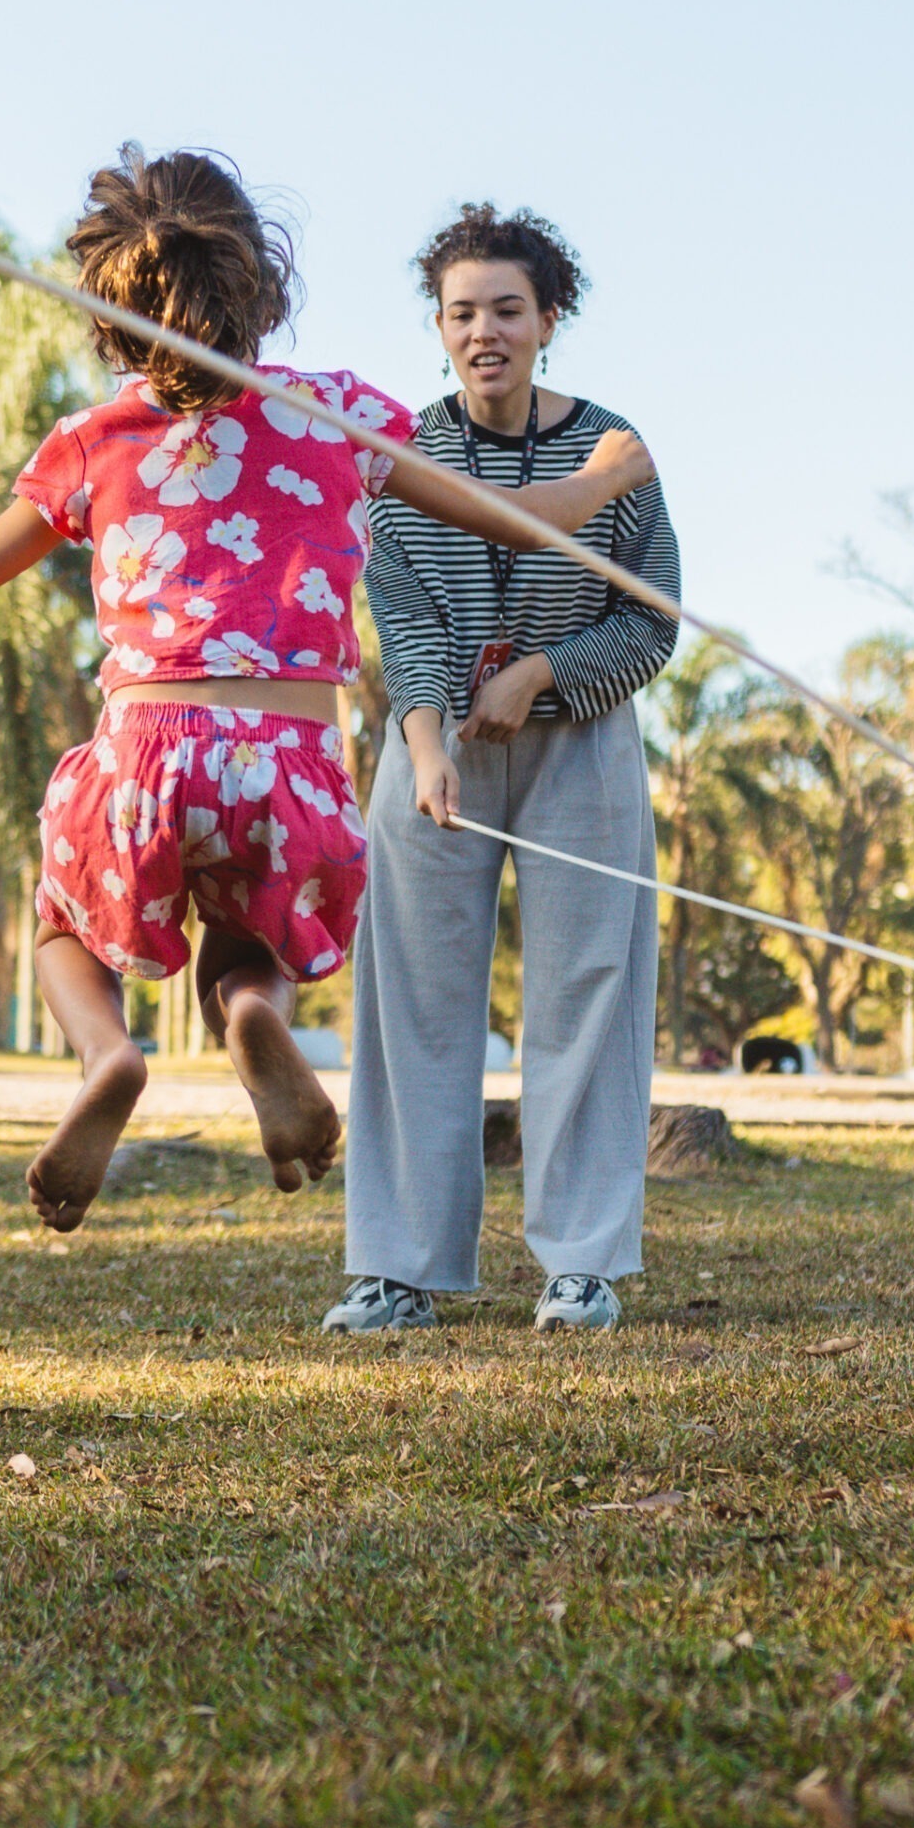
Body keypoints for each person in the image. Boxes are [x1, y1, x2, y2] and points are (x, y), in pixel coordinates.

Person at [0, 148, 657, 1230]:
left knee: (64, 920)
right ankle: (256, 1021)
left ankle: (106, 1055)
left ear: (111, 308)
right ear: (261, 285)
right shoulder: (340, 416)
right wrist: (610, 475)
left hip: (144, 749)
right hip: (288, 765)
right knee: (250, 945)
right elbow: (520, 516)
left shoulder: (94, 441)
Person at [330, 203, 681, 1335]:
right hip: (437, 748)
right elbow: (405, 616)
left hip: (579, 744)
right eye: (461, 312)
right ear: (438, 328)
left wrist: (540, 673)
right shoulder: (405, 453)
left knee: (590, 990)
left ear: (548, 319)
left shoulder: (613, 449)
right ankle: (399, 1268)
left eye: (507, 310)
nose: (484, 331)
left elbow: (653, 620)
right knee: (415, 997)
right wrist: (426, 742)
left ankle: (582, 1264)